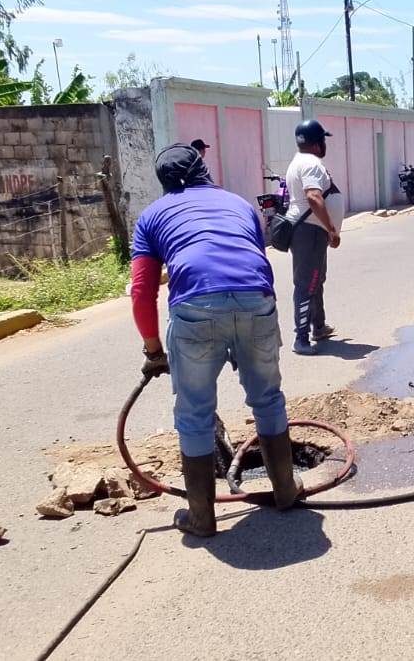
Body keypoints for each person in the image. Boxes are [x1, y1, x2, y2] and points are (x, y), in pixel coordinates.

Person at [130, 143, 302, 538]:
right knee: (268, 397)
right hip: (256, 300)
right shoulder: (239, 204)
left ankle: (202, 517)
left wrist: (153, 350)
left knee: (194, 413)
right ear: (203, 170)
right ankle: (286, 491)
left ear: (164, 182)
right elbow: (251, 259)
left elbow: (142, 292)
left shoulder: (152, 216)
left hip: (195, 310)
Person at [285, 119, 344, 356]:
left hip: (309, 231)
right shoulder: (311, 164)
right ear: (317, 143)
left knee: (316, 280)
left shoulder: (299, 161)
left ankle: (318, 327)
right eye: (323, 139)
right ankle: (301, 338)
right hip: (310, 232)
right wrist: (331, 228)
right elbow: (313, 197)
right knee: (306, 284)